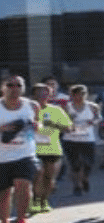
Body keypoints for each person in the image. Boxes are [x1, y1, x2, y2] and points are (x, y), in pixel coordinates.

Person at [0, 76, 39, 223]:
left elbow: (37, 124)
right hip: (2, 158)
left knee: (23, 185)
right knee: (4, 194)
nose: (14, 88)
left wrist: (38, 126)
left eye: (18, 85)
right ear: (3, 88)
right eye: (10, 85)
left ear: (23, 88)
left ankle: (21, 219)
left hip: (25, 154)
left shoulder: (32, 105)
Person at [29, 82, 70, 214]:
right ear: (33, 94)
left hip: (52, 148)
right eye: (39, 92)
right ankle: (35, 201)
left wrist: (54, 124)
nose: (43, 95)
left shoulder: (56, 110)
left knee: (49, 177)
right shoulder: (27, 109)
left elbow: (68, 128)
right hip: (32, 149)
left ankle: (43, 201)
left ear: (51, 95)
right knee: (37, 175)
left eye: (46, 92)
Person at [63, 85, 101, 196]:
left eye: (82, 94)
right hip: (70, 139)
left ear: (86, 95)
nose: (79, 97)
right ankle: (77, 186)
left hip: (87, 139)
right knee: (75, 164)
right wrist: (68, 123)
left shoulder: (93, 107)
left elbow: (99, 118)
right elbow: (61, 120)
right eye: (76, 94)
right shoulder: (66, 107)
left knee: (88, 164)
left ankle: (85, 178)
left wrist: (92, 122)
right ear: (72, 95)